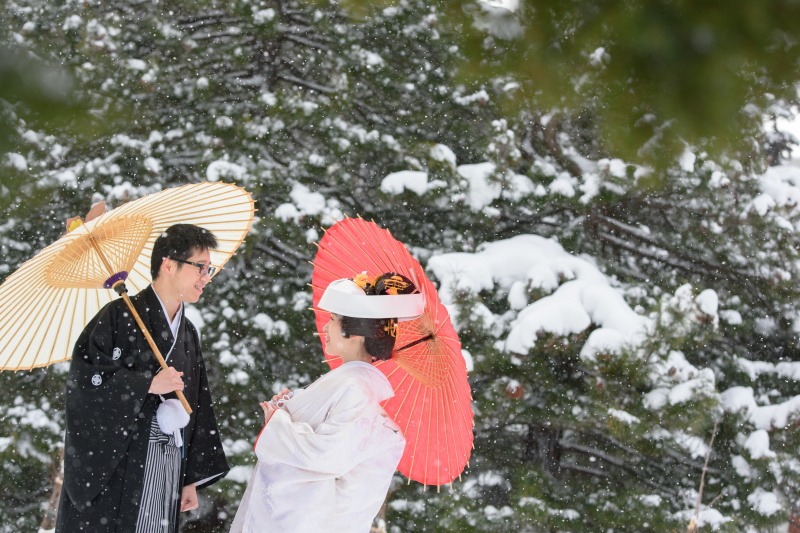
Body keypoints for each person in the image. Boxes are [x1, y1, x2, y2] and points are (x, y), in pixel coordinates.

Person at [56, 223, 230, 533]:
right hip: (119, 464)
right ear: (168, 265)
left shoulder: (187, 332)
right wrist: (145, 384)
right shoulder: (116, 317)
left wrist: (189, 476)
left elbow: (199, 404)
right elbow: (84, 383)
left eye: (209, 268)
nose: (207, 276)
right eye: (200, 267)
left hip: (169, 461)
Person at [230, 273, 424, 533]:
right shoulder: (352, 384)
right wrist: (289, 409)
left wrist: (278, 423)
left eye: (333, 320)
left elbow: (326, 456)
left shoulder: (356, 388)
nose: (325, 327)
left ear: (354, 333)